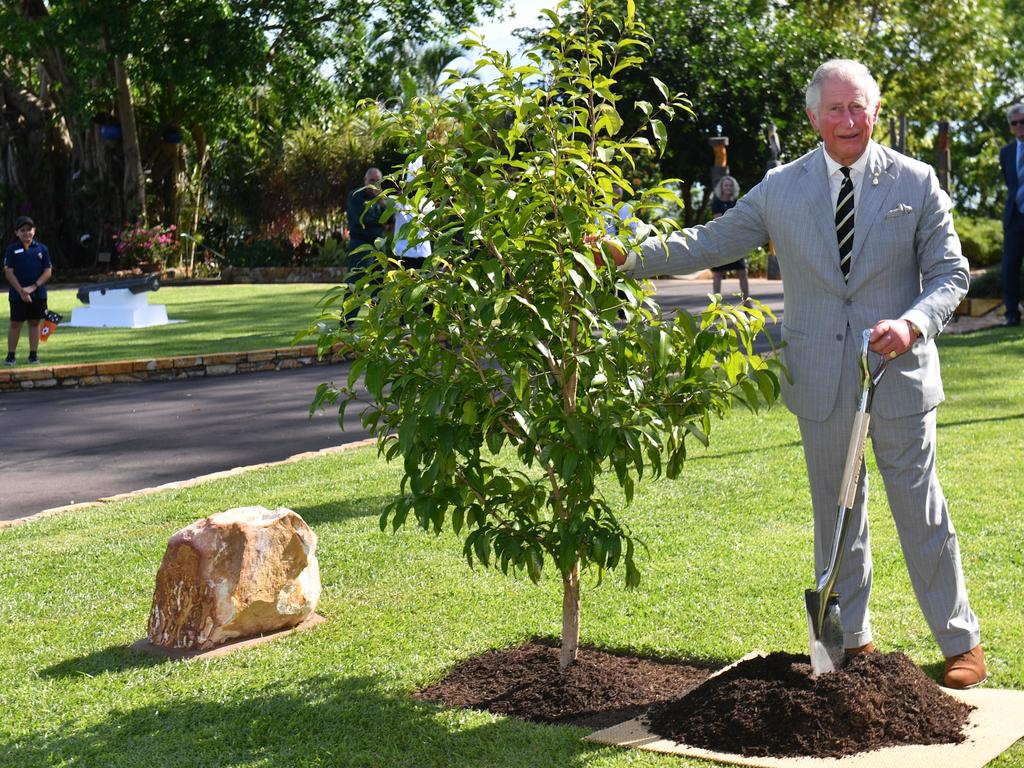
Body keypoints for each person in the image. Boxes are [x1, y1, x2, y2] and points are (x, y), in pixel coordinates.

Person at [597, 59, 985, 689]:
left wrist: (912, 324)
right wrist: (624, 255)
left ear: (876, 111)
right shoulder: (781, 187)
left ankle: (960, 641)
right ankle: (848, 642)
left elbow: (951, 276)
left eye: (859, 106)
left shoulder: (916, 183)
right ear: (813, 117)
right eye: (835, 109)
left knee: (921, 510)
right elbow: (709, 243)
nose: (849, 120)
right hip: (819, 380)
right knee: (836, 518)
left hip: (900, 378)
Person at [4, 216, 52, 366]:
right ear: (17, 233)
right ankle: (11, 356)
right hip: (17, 295)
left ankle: (33, 355)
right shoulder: (11, 250)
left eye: (29, 229)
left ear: (34, 231)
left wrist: (33, 287)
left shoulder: (42, 249)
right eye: (22, 230)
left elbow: (48, 271)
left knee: (34, 323)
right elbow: (8, 272)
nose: (26, 233)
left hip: (38, 293)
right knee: (15, 324)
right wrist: (21, 291)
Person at [998, 104, 1024, 326]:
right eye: (1014, 123)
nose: (1019, 126)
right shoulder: (1006, 153)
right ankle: (1012, 314)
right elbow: (1012, 184)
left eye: (1022, 121)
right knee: (1009, 267)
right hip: (1015, 217)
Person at [708, 175, 750, 301]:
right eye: (726, 185)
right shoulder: (716, 203)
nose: (728, 187)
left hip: (736, 242)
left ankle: (746, 301)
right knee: (718, 274)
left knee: (743, 272)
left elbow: (741, 220)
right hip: (722, 242)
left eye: (730, 185)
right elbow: (720, 222)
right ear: (722, 187)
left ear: (734, 188)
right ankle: (716, 304)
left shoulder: (737, 203)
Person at [346, 166, 388, 277]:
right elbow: (363, 219)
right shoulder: (355, 196)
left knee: (379, 284)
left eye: (377, 181)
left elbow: (390, 218)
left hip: (378, 245)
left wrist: (382, 201)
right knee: (355, 280)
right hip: (360, 243)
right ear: (365, 180)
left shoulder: (383, 199)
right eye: (372, 180)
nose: (374, 184)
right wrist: (382, 222)